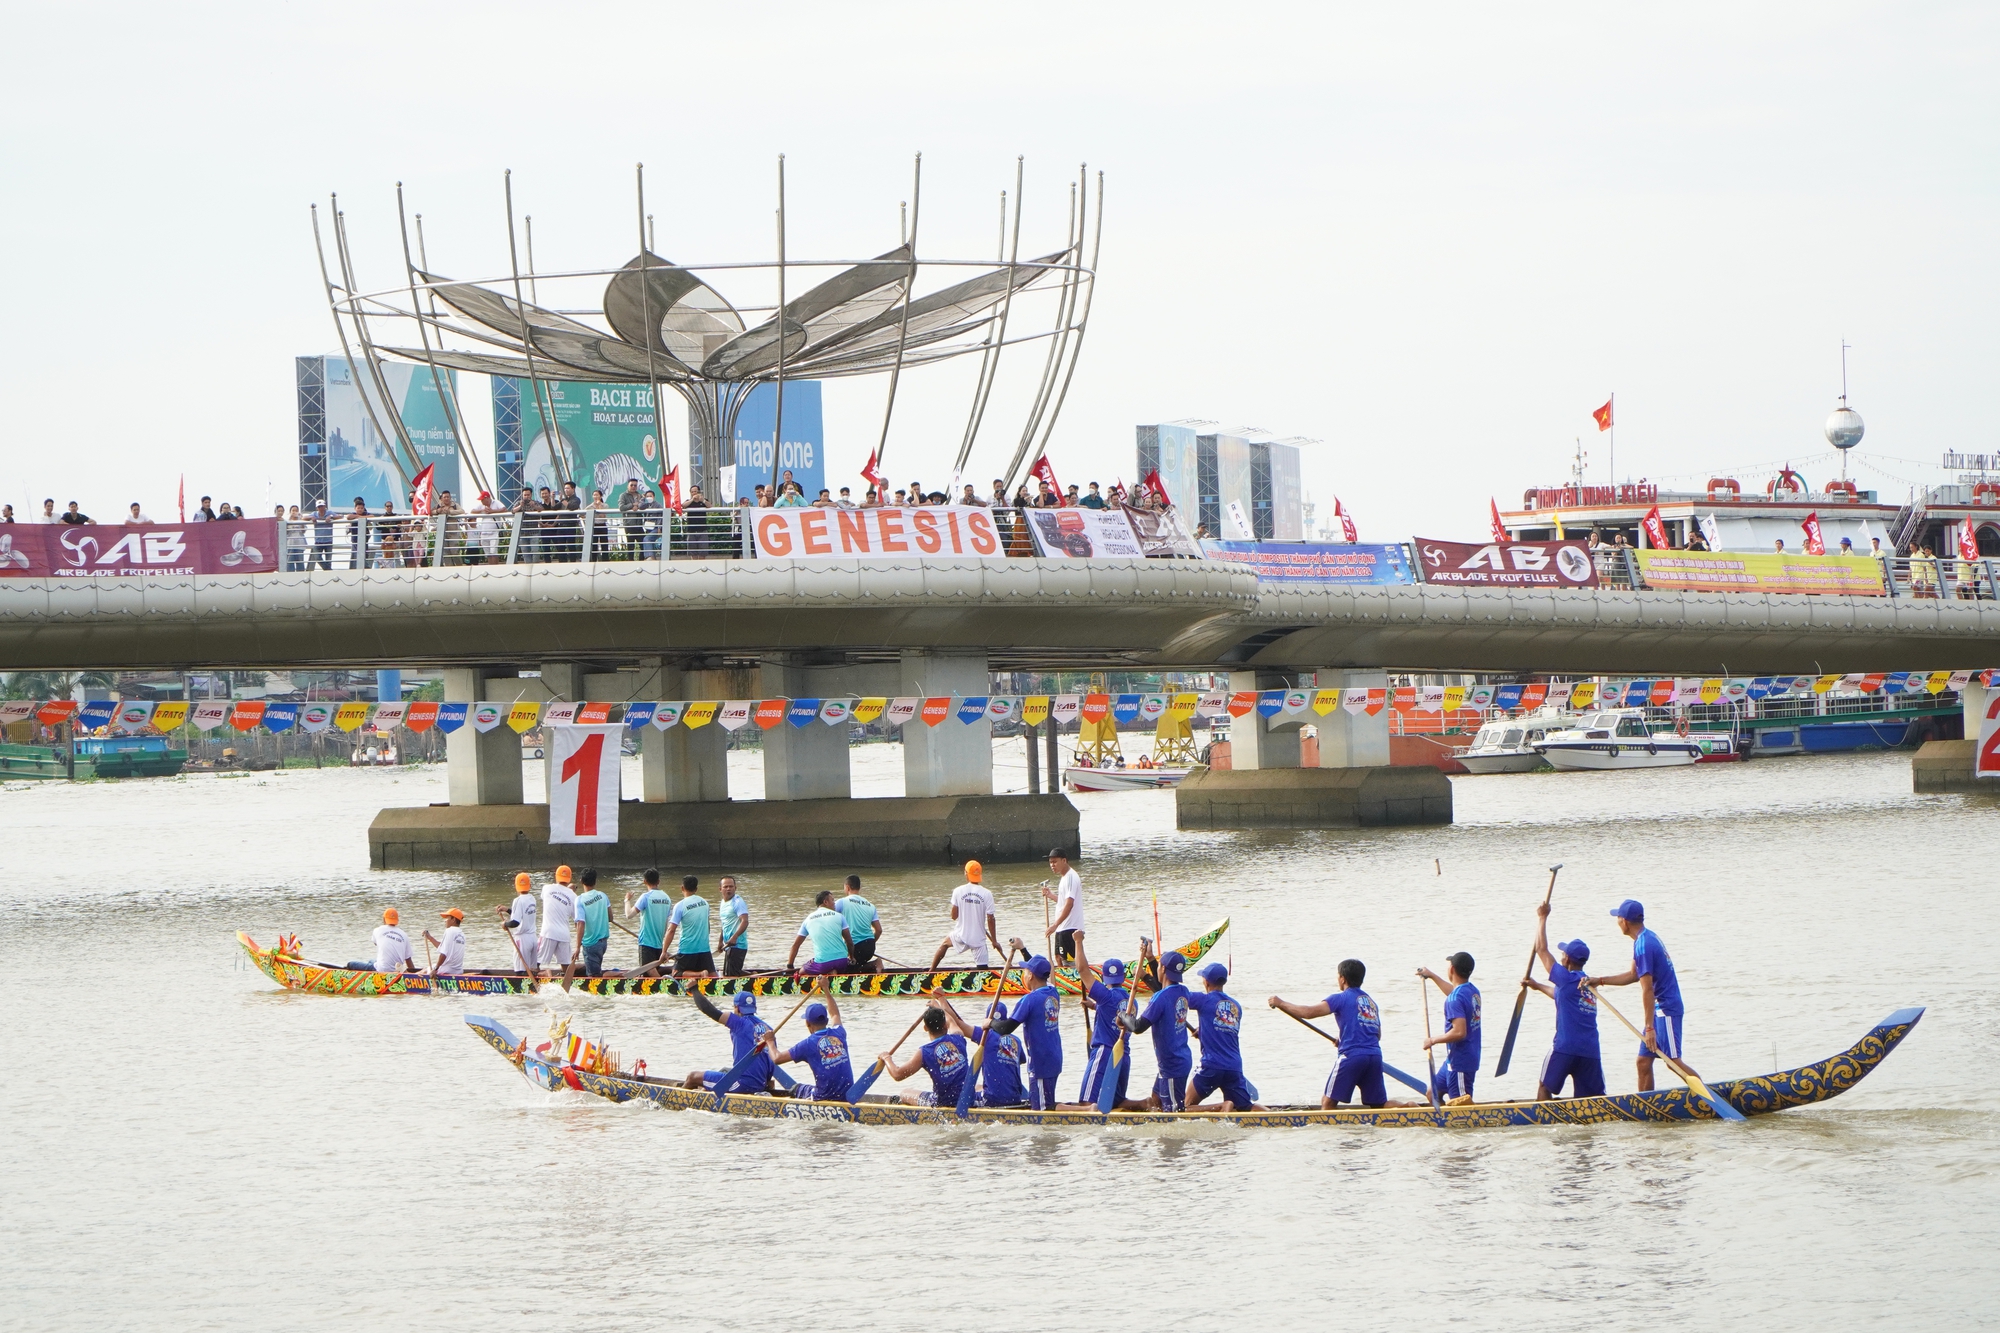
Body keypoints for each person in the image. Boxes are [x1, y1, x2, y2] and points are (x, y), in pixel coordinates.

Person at [1586, 899, 1690, 1091]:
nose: (1617, 922)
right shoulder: (1643, 939)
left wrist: (1649, 1028)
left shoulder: (1644, 946)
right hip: (1658, 1010)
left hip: (1666, 1009)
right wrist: (1600, 980)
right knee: (1643, 1061)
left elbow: (1647, 989)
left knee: (1673, 1061)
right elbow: (1633, 975)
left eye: (1618, 917)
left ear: (1624, 921)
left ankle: (1712, 1099)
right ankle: (1646, 1109)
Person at [1269, 958, 1386, 1109]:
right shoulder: (1370, 1002)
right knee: (1380, 1105)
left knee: (1327, 1103)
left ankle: (1336, 1131)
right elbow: (1377, 1034)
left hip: (1352, 1056)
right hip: (1375, 1056)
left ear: (1342, 979)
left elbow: (1309, 1012)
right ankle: (1406, 1107)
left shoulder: (1340, 998)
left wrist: (1281, 1003)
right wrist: (1343, 1038)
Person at [1523, 902, 1603, 1099]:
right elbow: (1560, 995)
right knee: (1590, 1100)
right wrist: (1537, 986)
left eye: (1562, 954)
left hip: (1565, 1048)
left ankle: (1544, 1124)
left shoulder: (1566, 979)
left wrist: (1543, 917)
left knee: (1544, 1087)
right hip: (1590, 1051)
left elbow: (1541, 949)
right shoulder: (1587, 985)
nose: (1560, 958)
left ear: (1567, 959)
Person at [986, 952, 1064, 1109]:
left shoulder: (1029, 1000)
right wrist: (1021, 948)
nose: (1023, 974)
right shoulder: (1053, 992)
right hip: (1054, 1056)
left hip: (1040, 1061)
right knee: (1046, 1101)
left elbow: (1005, 1029)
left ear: (1030, 976)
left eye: (1025, 971)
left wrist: (990, 1022)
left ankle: (1082, 1112)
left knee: (1042, 1109)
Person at [1185, 963, 1260, 1111]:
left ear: (1206, 982)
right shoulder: (1236, 1006)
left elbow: (1175, 996)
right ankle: (1272, 1116)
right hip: (1234, 1066)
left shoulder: (1203, 999)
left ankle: (1222, 1106)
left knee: (1186, 1106)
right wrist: (1204, 1030)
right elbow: (1225, 1028)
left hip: (1212, 1065)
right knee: (1245, 1107)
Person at [1124, 950, 1193, 1109]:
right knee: (1156, 1101)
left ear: (1162, 969)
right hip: (1180, 1059)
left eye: (1159, 966)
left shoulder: (1160, 998)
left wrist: (1122, 1016)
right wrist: (1147, 965)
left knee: (1173, 1112)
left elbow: (1137, 1027)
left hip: (1171, 1065)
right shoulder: (1184, 992)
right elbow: (1162, 989)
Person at [935, 995, 1028, 1108]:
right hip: (1015, 1098)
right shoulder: (1016, 1041)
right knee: (978, 1086)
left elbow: (959, 1023)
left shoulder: (985, 1035)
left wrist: (941, 1000)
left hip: (992, 1101)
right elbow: (1022, 1060)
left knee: (965, 1092)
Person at [1417, 952, 1481, 1103]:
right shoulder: (1472, 991)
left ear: (1452, 970)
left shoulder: (1455, 999)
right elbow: (1453, 993)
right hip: (1455, 1059)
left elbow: (1459, 1032)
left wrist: (1432, 1040)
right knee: (1432, 1093)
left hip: (1461, 1061)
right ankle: (1441, 1124)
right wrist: (1431, 976)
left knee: (1460, 1106)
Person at [684, 992, 778, 1095]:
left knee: (692, 1077)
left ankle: (677, 1101)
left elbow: (707, 1009)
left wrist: (694, 990)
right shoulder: (768, 1029)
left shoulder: (739, 1023)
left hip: (742, 1084)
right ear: (754, 1008)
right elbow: (771, 1061)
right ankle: (706, 1091)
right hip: (761, 1084)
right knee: (724, 1070)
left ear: (737, 1008)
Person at [1076, 953, 1137, 1110]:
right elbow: (1115, 1011)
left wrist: (1078, 942)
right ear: (1123, 978)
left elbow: (1082, 970)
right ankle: (1144, 1103)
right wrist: (1095, 1006)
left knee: (1086, 1103)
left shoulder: (1105, 996)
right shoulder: (1131, 1001)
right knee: (1116, 1102)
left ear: (1104, 979)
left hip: (1104, 1054)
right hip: (1123, 1055)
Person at [876, 1006, 968, 1107]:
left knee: (905, 1093)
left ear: (925, 1028)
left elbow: (897, 1074)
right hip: (967, 1098)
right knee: (977, 1087)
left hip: (942, 1102)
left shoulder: (924, 1052)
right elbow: (951, 1021)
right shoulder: (958, 1037)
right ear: (945, 1025)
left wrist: (886, 1058)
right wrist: (937, 1005)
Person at [775, 987, 852, 1100]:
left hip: (824, 1096)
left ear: (807, 1023)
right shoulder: (839, 1033)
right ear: (826, 1021)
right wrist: (826, 990)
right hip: (847, 1094)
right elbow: (835, 1014)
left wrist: (770, 1041)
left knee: (797, 1088)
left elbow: (777, 1058)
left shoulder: (807, 1044)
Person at [931, 860, 1000, 968]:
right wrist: (994, 941)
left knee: (944, 945)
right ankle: (983, 979)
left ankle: (930, 972)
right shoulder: (987, 894)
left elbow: (954, 917)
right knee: (982, 969)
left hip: (961, 935)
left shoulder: (958, 891)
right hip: (978, 939)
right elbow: (991, 919)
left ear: (966, 874)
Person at [788, 889, 853, 975]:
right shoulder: (840, 916)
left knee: (801, 972)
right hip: (842, 962)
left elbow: (795, 946)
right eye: (832, 900)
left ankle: (829, 972)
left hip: (823, 964)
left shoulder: (808, 919)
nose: (834, 903)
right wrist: (851, 957)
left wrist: (790, 966)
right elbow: (849, 942)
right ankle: (832, 972)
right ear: (825, 902)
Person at [660, 875, 715, 976]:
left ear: (682, 888)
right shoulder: (705, 903)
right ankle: (708, 975)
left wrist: (664, 951)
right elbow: (707, 926)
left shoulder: (680, 905)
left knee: (676, 974)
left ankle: (700, 974)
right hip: (705, 948)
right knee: (712, 975)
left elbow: (671, 930)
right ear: (696, 889)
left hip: (687, 949)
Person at [625, 868, 672, 971]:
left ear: (645, 881)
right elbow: (667, 924)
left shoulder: (645, 897)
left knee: (647, 973)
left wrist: (627, 900)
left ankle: (665, 982)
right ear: (658, 882)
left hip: (646, 942)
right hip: (660, 942)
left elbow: (629, 915)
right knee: (655, 970)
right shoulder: (667, 898)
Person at [1042, 849, 1084, 964]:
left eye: (1055, 862)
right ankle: (1060, 980)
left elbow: (1069, 904)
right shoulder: (1064, 878)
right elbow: (1063, 902)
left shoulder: (1071, 877)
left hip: (1070, 927)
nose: (1052, 865)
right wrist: (1050, 895)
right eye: (1050, 862)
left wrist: (1055, 925)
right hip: (1063, 927)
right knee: (1058, 958)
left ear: (1064, 860)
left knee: (1069, 962)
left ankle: (1076, 981)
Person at [538, 865, 579, 976]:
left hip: (548, 932)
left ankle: (545, 973)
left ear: (556, 877)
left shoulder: (546, 888)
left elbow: (553, 898)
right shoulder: (574, 897)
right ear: (569, 879)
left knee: (536, 962)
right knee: (566, 966)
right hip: (564, 935)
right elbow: (577, 920)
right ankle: (570, 980)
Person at [836, 874, 883, 972]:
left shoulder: (842, 902)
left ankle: (874, 963)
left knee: (842, 969)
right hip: (870, 946)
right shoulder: (870, 905)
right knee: (857, 966)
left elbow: (827, 917)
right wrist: (868, 943)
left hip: (854, 947)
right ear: (859, 888)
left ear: (847, 887)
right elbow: (878, 930)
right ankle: (872, 965)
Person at [572, 870, 611, 977]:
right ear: (595, 882)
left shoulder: (579, 900)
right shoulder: (603, 896)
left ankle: (613, 976)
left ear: (581, 881)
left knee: (594, 977)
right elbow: (610, 918)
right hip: (603, 943)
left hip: (590, 944)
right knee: (593, 967)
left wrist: (577, 947)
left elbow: (581, 924)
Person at [496, 873, 538, 972]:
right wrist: (507, 910)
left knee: (520, 971)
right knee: (532, 971)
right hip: (533, 938)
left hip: (522, 939)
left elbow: (516, 922)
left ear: (516, 886)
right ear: (530, 886)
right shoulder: (532, 899)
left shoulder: (518, 900)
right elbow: (522, 915)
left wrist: (505, 924)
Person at [717, 875, 750, 975]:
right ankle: (753, 974)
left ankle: (754, 977)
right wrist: (720, 941)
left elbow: (745, 921)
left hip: (738, 945)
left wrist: (735, 937)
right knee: (728, 973)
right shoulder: (723, 902)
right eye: (725, 887)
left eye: (731, 887)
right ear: (720, 889)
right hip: (728, 945)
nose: (728, 889)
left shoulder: (738, 902)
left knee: (732, 975)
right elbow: (724, 923)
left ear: (735, 888)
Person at [367, 908, 417, 973]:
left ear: (384, 919)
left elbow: (375, 943)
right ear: (397, 920)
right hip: (398, 969)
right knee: (371, 961)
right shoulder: (404, 935)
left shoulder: (378, 930)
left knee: (350, 964)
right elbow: (408, 960)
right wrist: (414, 974)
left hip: (381, 970)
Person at [423, 908, 468, 976]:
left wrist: (435, 969)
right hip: (458, 970)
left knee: (424, 971)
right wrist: (430, 938)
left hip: (447, 969)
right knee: (428, 968)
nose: (445, 921)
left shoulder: (449, 931)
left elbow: (444, 953)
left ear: (453, 920)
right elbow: (443, 947)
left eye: (447, 918)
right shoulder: (462, 934)